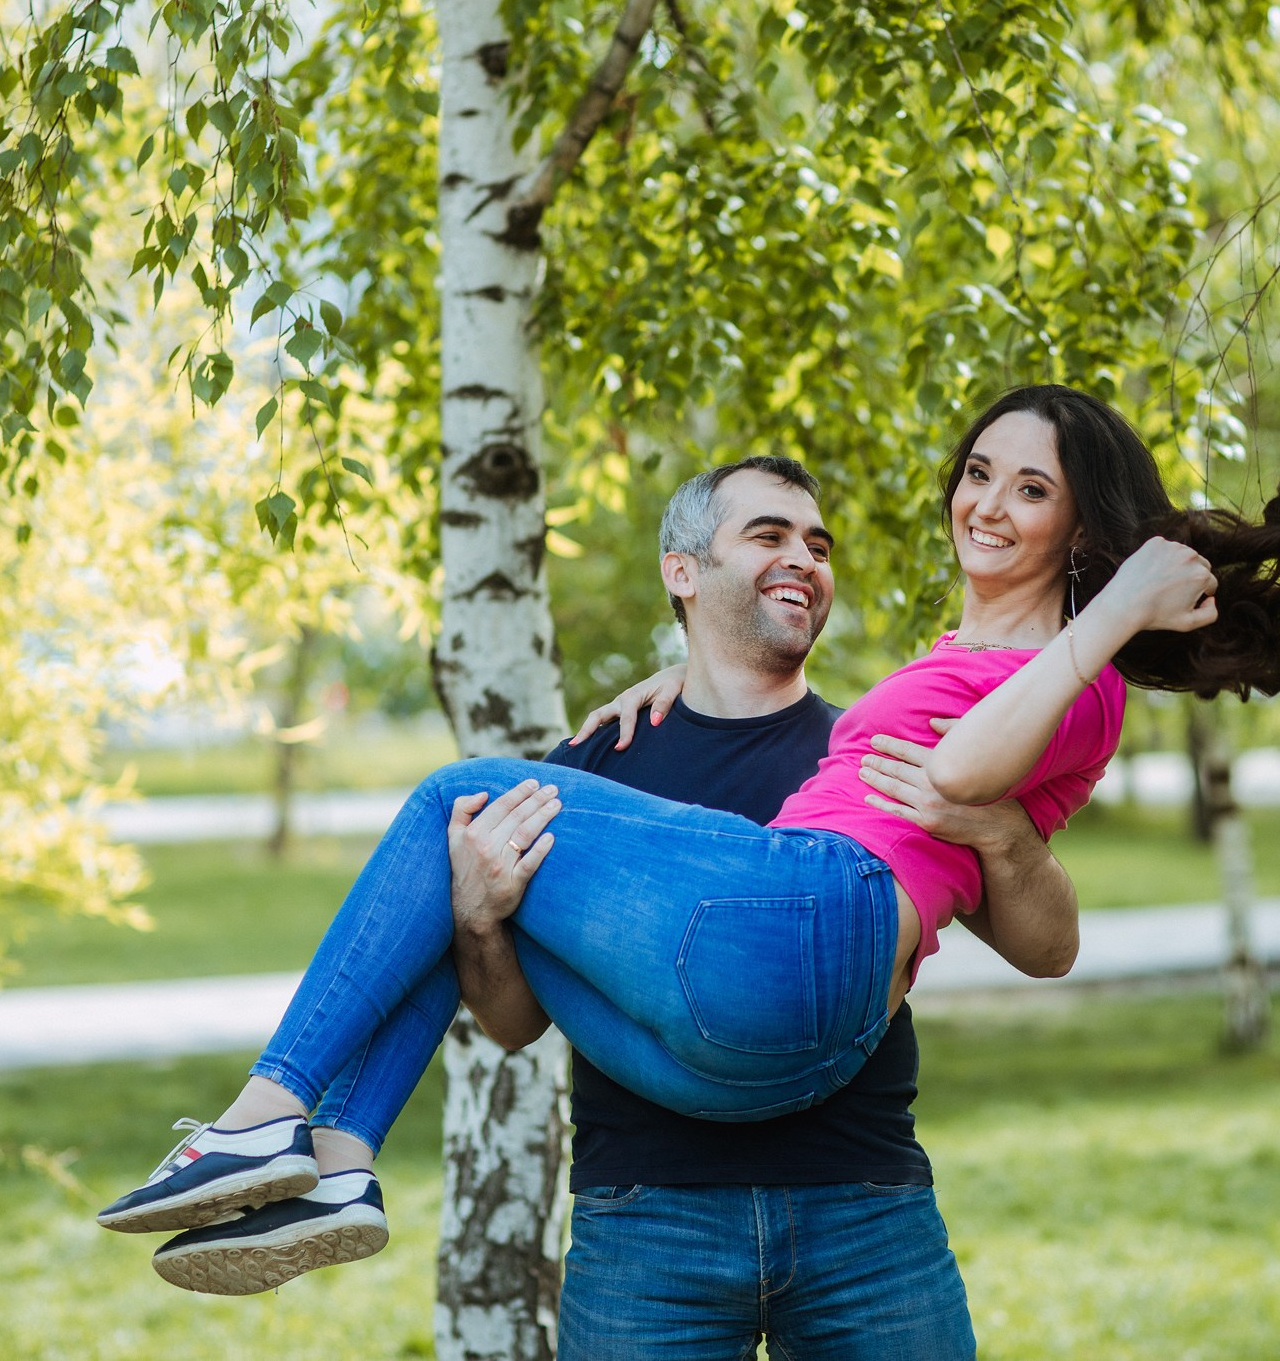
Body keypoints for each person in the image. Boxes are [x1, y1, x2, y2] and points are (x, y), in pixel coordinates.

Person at [94, 384, 1280, 1299]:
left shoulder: (1065, 669)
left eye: (1031, 487)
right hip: (741, 1050)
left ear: (1083, 527)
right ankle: (335, 1163)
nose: (987, 501)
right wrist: (532, 859)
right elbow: (512, 1013)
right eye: (976, 472)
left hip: (817, 957)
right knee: (473, 847)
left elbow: (963, 782)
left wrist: (1118, 607)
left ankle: (269, 1115)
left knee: (455, 789)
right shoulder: (1003, 666)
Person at [451, 454, 1064, 1356]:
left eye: (817, 544)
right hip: (649, 1224)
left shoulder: (880, 752)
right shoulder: (591, 769)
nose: (804, 559)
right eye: (769, 535)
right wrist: (478, 919)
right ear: (683, 571)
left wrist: (1002, 831)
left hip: (864, 1209)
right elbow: (512, 1023)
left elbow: (1050, 948)